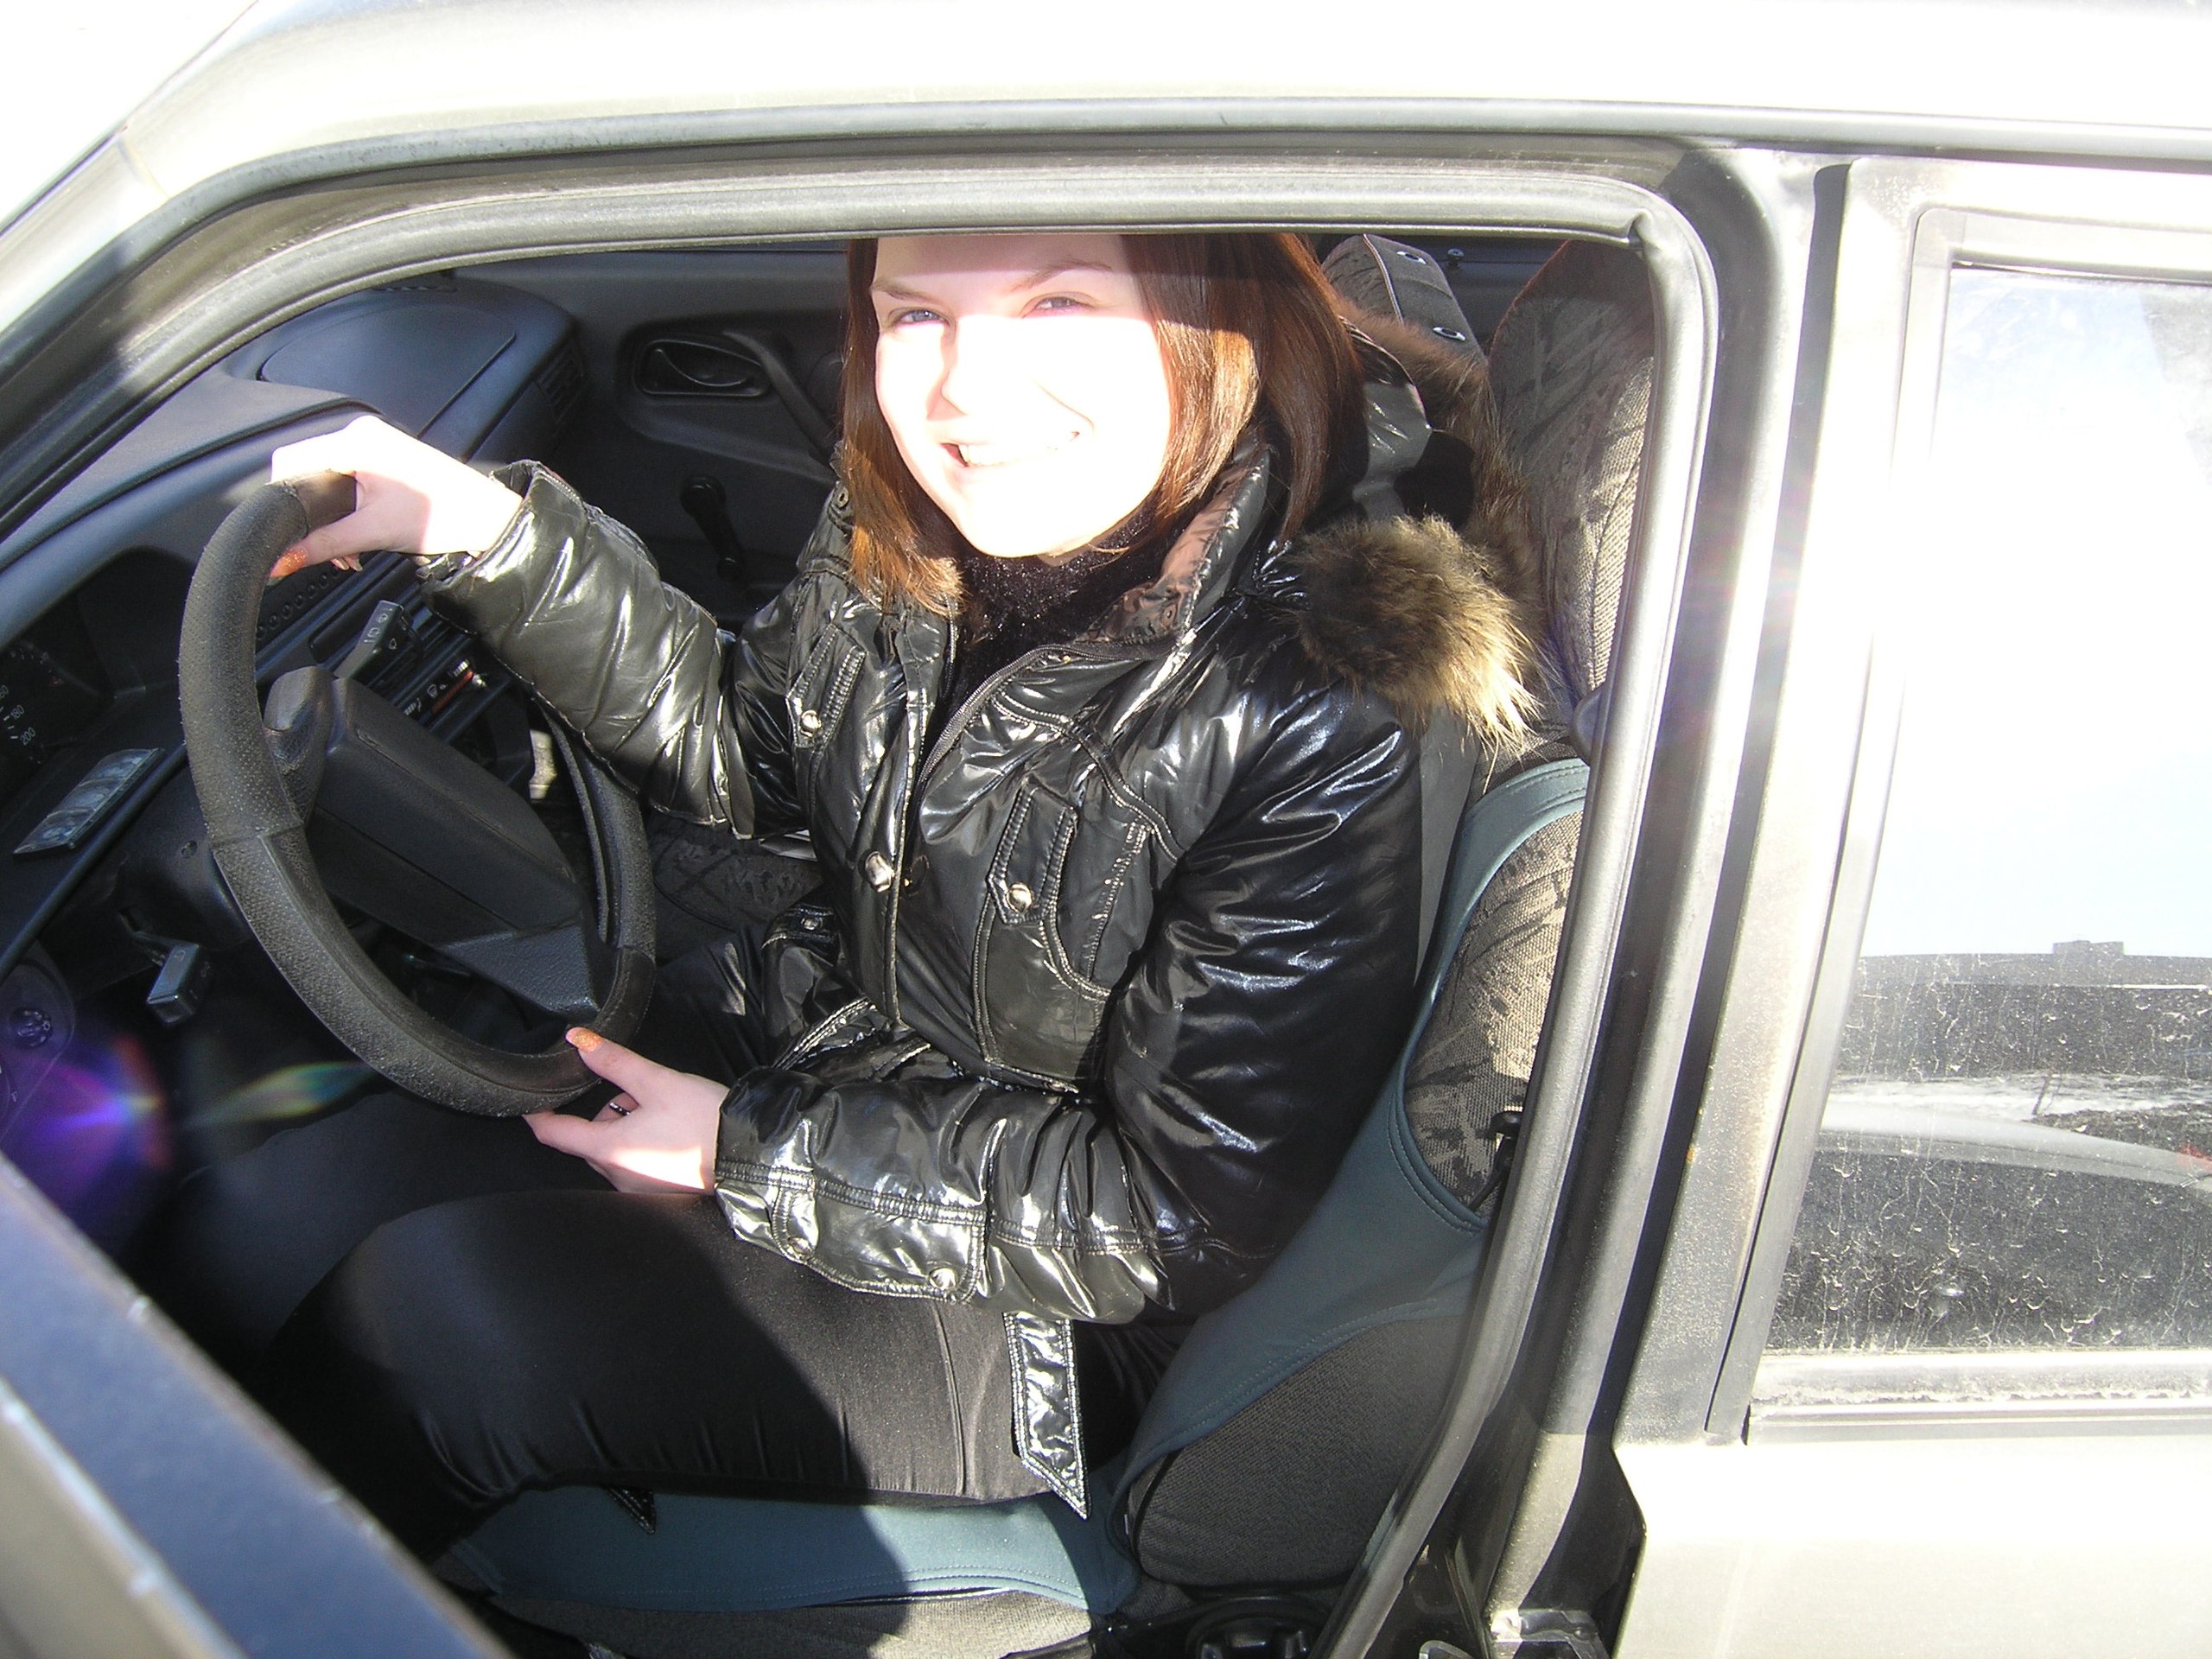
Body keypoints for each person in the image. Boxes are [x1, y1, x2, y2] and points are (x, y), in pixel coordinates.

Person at [145, 231, 1543, 1556]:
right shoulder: (921, 521)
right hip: (831, 1051)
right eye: (915, 314)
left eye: (1059, 303)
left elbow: (1171, 1219)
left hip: (1054, 1306)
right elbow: (752, 745)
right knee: (279, 1206)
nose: (964, 391)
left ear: (1220, 310)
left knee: (431, 1333)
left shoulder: (1319, 692)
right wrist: (489, 535)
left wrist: (747, 1151)